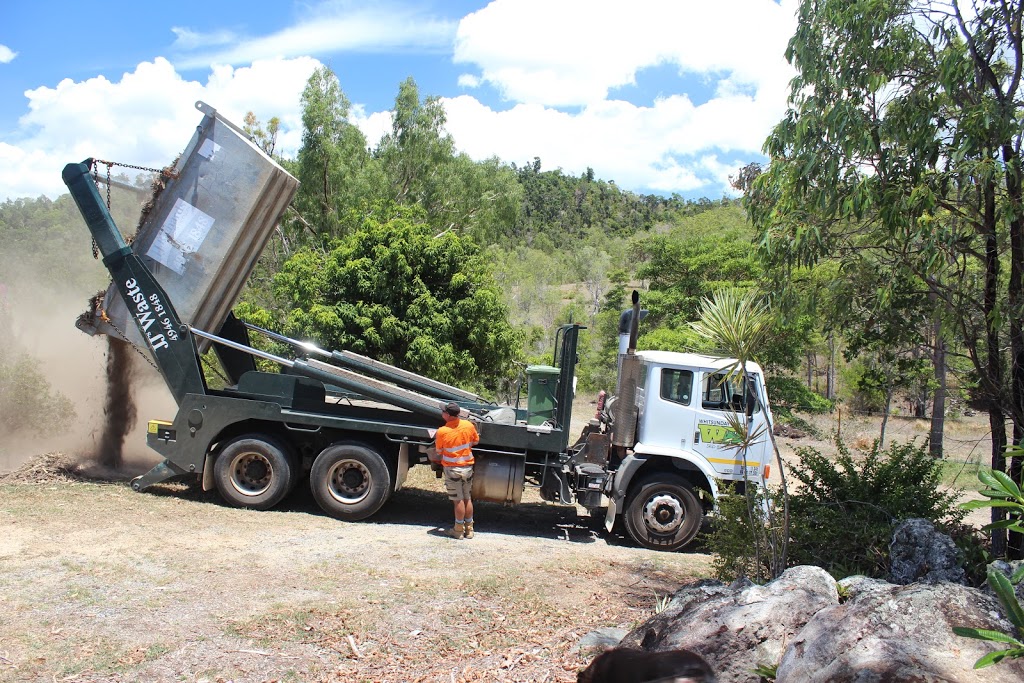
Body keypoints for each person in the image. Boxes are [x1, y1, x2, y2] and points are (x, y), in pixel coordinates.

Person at [435, 401, 479, 539]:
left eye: (443, 411)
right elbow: (475, 441)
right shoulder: (468, 425)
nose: (442, 413)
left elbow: (438, 450)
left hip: (453, 469)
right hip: (467, 468)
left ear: (448, 415)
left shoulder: (442, 431)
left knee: (458, 500)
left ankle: (458, 530)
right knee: (467, 498)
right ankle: (469, 529)